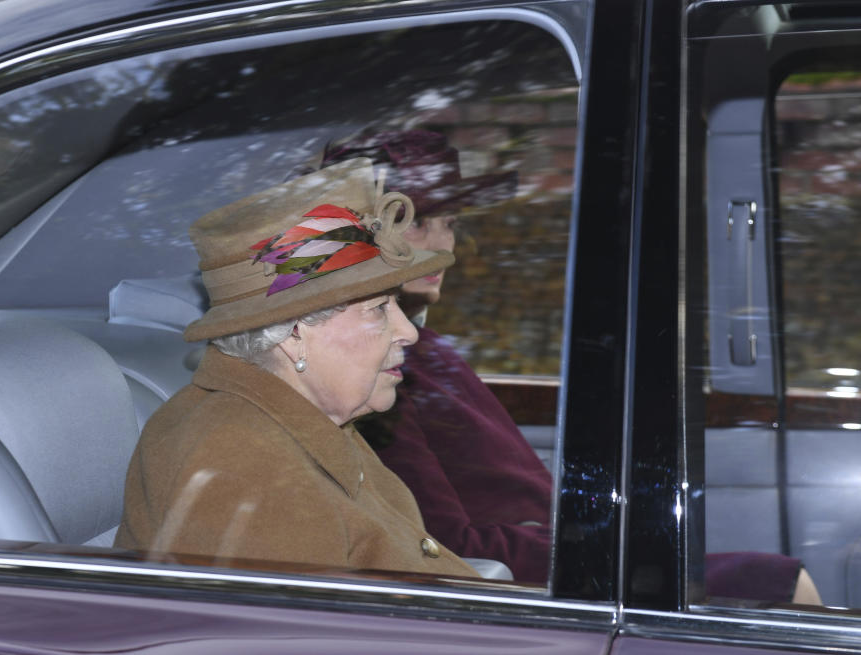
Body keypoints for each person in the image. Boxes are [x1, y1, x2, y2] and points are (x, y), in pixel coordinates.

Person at [322, 129, 821, 602]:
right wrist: (603, 557)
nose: (440, 244)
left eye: (450, 223)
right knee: (779, 582)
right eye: (414, 220)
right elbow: (443, 541)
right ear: (363, 234)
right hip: (523, 581)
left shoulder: (426, 348)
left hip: (557, 550)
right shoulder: (372, 368)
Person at [114, 157, 477, 578]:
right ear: (294, 334)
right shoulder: (244, 469)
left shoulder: (309, 419)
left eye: (395, 303)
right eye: (379, 308)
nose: (407, 332)